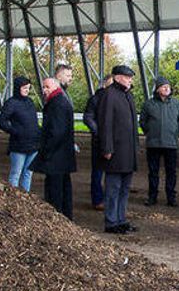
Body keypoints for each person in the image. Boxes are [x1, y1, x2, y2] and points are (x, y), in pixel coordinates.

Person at [97, 65, 140, 234]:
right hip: (115, 151)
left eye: (131, 77)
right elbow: (105, 124)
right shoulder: (110, 95)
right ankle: (111, 221)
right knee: (113, 188)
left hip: (128, 151)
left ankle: (121, 219)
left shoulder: (127, 95)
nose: (130, 80)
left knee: (124, 188)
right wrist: (107, 148)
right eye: (127, 77)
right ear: (117, 77)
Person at [31, 71, 77, 219]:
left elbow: (56, 132)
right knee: (64, 188)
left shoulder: (56, 104)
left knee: (54, 191)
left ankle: (57, 219)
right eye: (43, 87)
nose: (44, 90)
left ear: (55, 87)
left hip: (56, 156)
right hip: (63, 156)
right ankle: (65, 218)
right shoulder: (61, 101)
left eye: (47, 87)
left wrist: (46, 151)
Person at [140, 76, 179, 207]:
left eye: (168, 86)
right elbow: (142, 122)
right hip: (153, 144)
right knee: (153, 172)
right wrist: (150, 133)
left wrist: (175, 134)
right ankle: (152, 197)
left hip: (171, 144)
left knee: (171, 172)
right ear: (157, 89)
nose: (167, 88)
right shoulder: (149, 104)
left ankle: (171, 197)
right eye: (163, 86)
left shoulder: (176, 104)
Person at [0, 75, 40, 192]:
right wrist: (15, 131)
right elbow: (1, 121)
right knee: (16, 173)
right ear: (17, 88)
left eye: (28, 88)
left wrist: (38, 134)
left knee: (28, 174)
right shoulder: (11, 103)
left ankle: (26, 198)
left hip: (34, 144)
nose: (27, 90)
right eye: (24, 88)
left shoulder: (30, 102)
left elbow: (34, 121)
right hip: (18, 145)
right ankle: (13, 199)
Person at [83, 76, 113, 211]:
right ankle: (98, 200)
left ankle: (108, 199)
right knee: (98, 172)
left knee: (110, 172)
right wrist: (100, 133)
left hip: (112, 141)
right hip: (99, 141)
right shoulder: (95, 99)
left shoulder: (113, 99)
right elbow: (88, 118)